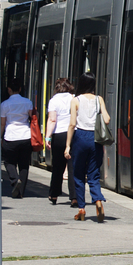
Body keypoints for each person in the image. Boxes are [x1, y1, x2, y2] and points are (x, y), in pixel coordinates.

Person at [65, 73, 111, 223]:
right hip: (95, 139)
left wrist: (67, 146)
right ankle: (97, 200)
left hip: (80, 138)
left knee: (78, 174)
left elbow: (72, 124)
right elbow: (107, 119)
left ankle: (82, 209)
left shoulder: (75, 100)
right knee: (93, 174)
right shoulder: (99, 99)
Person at [0, 79, 35, 198]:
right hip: (25, 136)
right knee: (24, 164)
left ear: (9, 90)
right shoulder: (28, 102)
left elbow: (2, 123)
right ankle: (21, 192)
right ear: (20, 89)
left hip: (10, 136)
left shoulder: (5, 104)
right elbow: (33, 118)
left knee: (9, 161)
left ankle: (15, 181)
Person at [44, 77, 75, 205]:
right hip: (72, 134)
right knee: (73, 166)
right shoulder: (74, 98)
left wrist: (47, 137)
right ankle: (74, 196)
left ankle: (54, 194)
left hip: (59, 135)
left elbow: (52, 120)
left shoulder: (53, 101)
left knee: (58, 166)